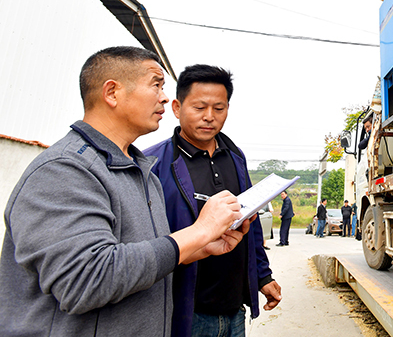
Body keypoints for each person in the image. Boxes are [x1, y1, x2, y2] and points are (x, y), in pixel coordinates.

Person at [0, 46, 246, 337]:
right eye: (156, 84)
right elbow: (86, 281)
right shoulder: (64, 170)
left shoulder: (141, 171)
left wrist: (196, 250)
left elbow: (142, 258)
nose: (165, 98)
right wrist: (199, 231)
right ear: (112, 93)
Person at [145, 64, 281, 337]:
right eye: (199, 108)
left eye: (219, 109)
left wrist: (263, 276)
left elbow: (250, 223)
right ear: (176, 107)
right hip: (185, 312)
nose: (209, 117)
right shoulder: (154, 164)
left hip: (233, 309)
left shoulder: (235, 156)